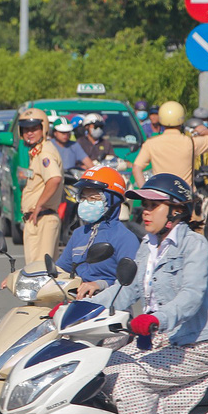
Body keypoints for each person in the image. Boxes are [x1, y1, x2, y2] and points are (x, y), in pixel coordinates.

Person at [92, 173, 208, 414]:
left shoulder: (195, 244)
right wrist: (79, 309)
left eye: (154, 204)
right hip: (157, 341)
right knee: (99, 369)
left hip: (195, 345)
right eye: (143, 205)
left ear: (176, 210)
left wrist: (155, 318)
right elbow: (126, 290)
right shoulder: (148, 244)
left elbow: (191, 296)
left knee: (125, 380)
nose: (145, 211)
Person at [52, 166, 141, 298]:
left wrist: (101, 284)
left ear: (112, 200)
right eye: (83, 198)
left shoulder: (125, 238)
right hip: (75, 303)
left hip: (109, 309)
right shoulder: (79, 233)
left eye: (93, 199)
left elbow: (132, 285)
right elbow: (60, 270)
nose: (86, 203)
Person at [132, 101, 208, 188]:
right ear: (182, 119)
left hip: (161, 195)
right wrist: (204, 130)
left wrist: (145, 192)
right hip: (185, 197)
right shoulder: (191, 143)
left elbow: (136, 168)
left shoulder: (151, 143)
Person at [15, 109, 64, 266]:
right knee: (36, 270)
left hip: (43, 218)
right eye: (25, 129)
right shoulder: (37, 152)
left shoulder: (45, 154)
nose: (29, 133)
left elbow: (54, 178)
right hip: (39, 218)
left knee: (40, 271)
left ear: (43, 129)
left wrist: (39, 206)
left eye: (34, 128)